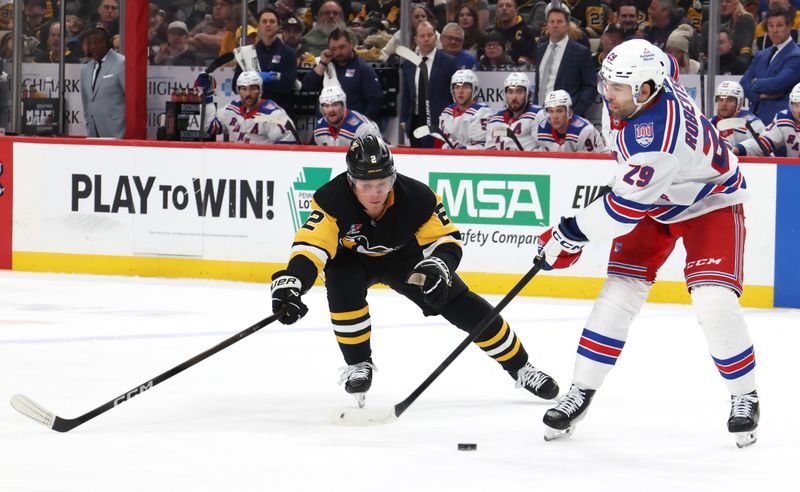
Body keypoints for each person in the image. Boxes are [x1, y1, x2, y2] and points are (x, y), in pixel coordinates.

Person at [537, 40, 760, 449]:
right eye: (607, 83)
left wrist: (569, 233)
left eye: (616, 88)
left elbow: (622, 211)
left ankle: (744, 394)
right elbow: (669, 61)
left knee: (713, 300)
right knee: (618, 293)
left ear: (644, 90)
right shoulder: (652, 79)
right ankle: (581, 391)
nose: (607, 94)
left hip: (708, 201)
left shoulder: (657, 138)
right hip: (654, 196)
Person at [269, 135, 560, 408]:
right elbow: (312, 245)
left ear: (393, 178)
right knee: (342, 285)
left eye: (382, 183)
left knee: (460, 302)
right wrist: (294, 282)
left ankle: (522, 367)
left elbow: (447, 240)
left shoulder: (418, 197)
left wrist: (439, 266)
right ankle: (358, 363)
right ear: (350, 180)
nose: (374, 194)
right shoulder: (331, 198)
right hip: (350, 258)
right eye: (365, 185)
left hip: (404, 257)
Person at [302, 27, 384, 122]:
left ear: (350, 44)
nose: (338, 52)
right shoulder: (327, 65)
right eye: (333, 49)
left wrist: (363, 125)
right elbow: (308, 86)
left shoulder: (362, 68)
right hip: (325, 128)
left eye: (342, 47)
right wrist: (323, 63)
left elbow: (375, 100)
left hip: (352, 128)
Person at [400, 20, 459, 148]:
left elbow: (456, 95)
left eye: (429, 35)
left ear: (435, 37)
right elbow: (407, 95)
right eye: (422, 36)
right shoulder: (408, 65)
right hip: (415, 124)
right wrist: (404, 120)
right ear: (416, 40)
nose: (426, 39)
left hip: (440, 125)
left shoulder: (449, 63)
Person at [232, 7, 298, 119]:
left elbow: (286, 86)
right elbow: (235, 86)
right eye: (264, 21)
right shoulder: (247, 53)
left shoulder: (289, 53)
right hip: (252, 116)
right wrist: (259, 78)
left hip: (280, 115)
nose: (268, 24)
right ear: (258, 26)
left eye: (272, 21)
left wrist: (253, 82)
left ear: (278, 26)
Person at [202, 70, 297, 144]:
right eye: (243, 89)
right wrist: (207, 95)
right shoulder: (231, 109)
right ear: (238, 91)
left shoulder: (273, 114)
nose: (248, 94)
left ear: (260, 90)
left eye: (253, 88)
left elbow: (289, 145)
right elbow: (210, 127)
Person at [741, 7, 800, 124]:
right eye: (771, 25)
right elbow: (744, 82)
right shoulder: (761, 55)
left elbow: (777, 84)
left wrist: (755, 82)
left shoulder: (796, 55)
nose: (774, 30)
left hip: (779, 121)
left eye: (779, 25)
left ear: (789, 27)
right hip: (753, 119)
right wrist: (760, 97)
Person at [535, 4, 597, 116]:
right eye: (551, 22)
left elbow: (591, 86)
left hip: (567, 118)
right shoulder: (540, 49)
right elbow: (538, 85)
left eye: (559, 22)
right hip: (540, 115)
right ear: (547, 25)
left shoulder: (580, 52)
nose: (555, 25)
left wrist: (575, 113)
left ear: (567, 25)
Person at [733, 82, 800, 157]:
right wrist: (739, 149)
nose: (799, 110)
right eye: (796, 105)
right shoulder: (785, 119)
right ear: (791, 105)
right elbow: (764, 143)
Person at [80, 27, 125, 138]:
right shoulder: (86, 69)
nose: (93, 47)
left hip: (118, 133)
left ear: (107, 43)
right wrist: (88, 124)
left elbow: (133, 99)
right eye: (90, 44)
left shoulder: (122, 63)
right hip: (93, 134)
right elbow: (86, 102)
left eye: (97, 43)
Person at [485, 72, 544, 151]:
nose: (514, 97)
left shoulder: (538, 115)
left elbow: (543, 149)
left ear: (527, 94)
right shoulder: (494, 119)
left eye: (519, 92)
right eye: (510, 92)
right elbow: (489, 151)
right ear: (505, 95)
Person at [535, 90, 606, 152]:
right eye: (551, 111)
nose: (555, 116)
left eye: (559, 111)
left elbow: (591, 163)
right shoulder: (542, 130)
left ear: (568, 112)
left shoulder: (584, 131)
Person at [438, 69, 492, 149]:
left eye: (465, 87)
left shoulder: (482, 112)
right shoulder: (447, 112)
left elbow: (483, 147)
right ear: (452, 90)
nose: (460, 91)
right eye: (457, 87)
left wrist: (462, 149)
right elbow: (441, 143)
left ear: (474, 89)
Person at [312, 85, 381, 146]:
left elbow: (374, 157)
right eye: (326, 106)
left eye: (335, 105)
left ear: (343, 106)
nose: (331, 110)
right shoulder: (319, 128)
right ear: (322, 109)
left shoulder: (361, 128)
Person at [711, 80, 766, 147]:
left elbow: (763, 152)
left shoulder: (753, 125)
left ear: (739, 103)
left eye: (730, 100)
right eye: (721, 100)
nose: (724, 104)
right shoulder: (709, 123)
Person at [487, 0, 537, 65]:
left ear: (516, 11)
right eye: (500, 6)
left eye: (508, 6)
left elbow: (531, 62)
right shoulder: (490, 33)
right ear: (496, 11)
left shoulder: (527, 33)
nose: (504, 8)